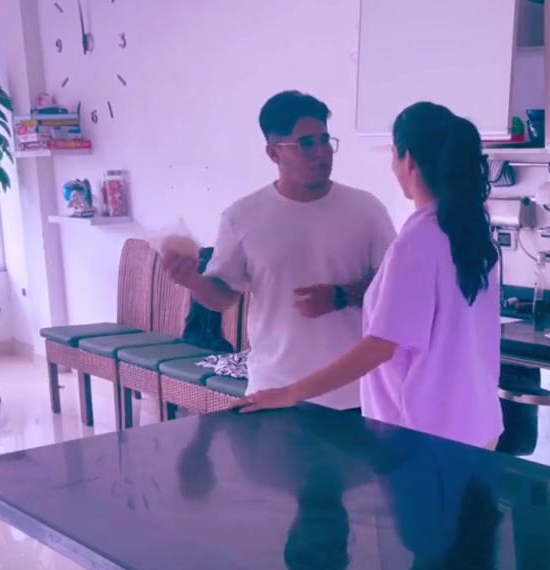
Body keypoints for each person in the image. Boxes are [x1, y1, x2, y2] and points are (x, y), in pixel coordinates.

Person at [240, 101, 503, 450]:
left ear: (408, 161)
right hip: (480, 426)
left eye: (393, 153)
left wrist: (291, 392)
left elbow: (379, 347)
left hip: (425, 435)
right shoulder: (474, 234)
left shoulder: (416, 243)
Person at [163, 90, 396, 410]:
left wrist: (342, 295)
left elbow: (393, 287)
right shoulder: (242, 217)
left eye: (325, 140)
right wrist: (193, 281)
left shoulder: (366, 209)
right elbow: (223, 295)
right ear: (274, 153)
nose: (321, 152)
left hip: (354, 393)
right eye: (306, 143)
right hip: (273, 391)